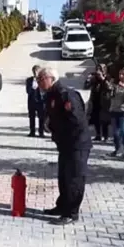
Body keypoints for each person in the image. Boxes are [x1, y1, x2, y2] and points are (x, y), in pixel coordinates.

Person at [37, 67, 92, 226]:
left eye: (41, 78)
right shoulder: (51, 95)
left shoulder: (67, 95)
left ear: (50, 78)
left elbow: (77, 121)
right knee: (63, 177)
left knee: (75, 178)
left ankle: (71, 213)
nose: (39, 82)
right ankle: (62, 207)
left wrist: (59, 130)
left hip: (76, 144)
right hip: (65, 145)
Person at [84, 64, 112, 141]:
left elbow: (110, 88)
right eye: (97, 69)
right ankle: (98, 135)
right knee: (96, 118)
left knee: (104, 120)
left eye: (101, 69)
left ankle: (105, 136)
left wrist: (103, 79)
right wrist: (88, 79)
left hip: (104, 101)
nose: (98, 71)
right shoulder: (94, 78)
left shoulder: (108, 77)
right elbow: (86, 87)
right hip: (95, 101)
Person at [26, 65, 45, 138]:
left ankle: (41, 132)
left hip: (40, 101)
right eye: (34, 71)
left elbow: (45, 90)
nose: (35, 73)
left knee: (41, 117)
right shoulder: (29, 80)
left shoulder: (43, 79)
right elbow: (27, 91)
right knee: (31, 117)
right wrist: (32, 86)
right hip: (31, 101)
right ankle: (32, 131)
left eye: (37, 71)